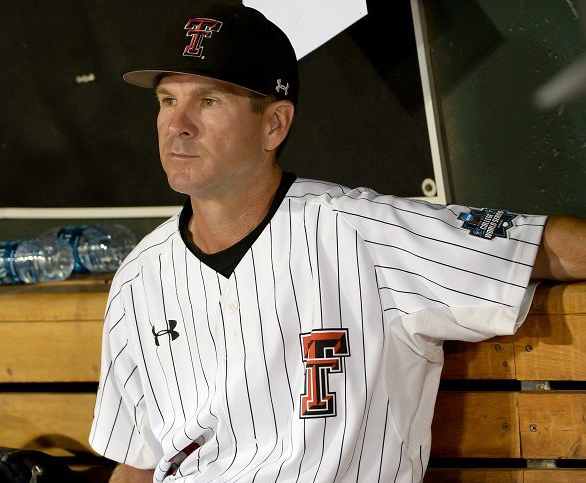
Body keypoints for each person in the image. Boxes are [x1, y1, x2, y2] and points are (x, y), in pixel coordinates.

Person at [88, 3, 586, 482]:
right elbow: (138, 465)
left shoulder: (364, 231)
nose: (178, 125)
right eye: (168, 101)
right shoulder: (140, 277)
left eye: (209, 100)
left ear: (274, 124)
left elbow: (550, 246)